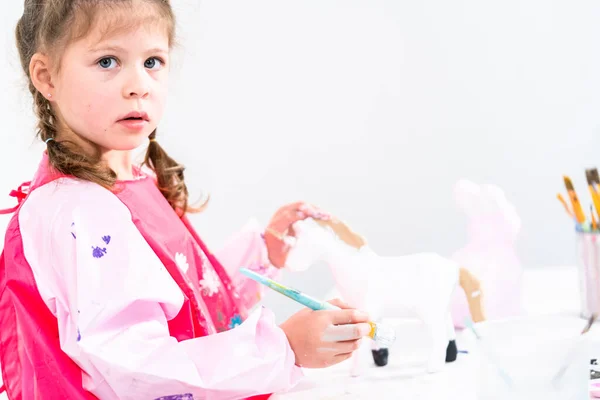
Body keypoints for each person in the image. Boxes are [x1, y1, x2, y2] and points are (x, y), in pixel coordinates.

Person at [0, 1, 371, 399]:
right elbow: (134, 367)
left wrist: (263, 254)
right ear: (47, 76)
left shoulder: (129, 183)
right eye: (107, 61)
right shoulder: (80, 211)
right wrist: (281, 349)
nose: (138, 84)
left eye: (153, 61)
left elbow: (191, 302)